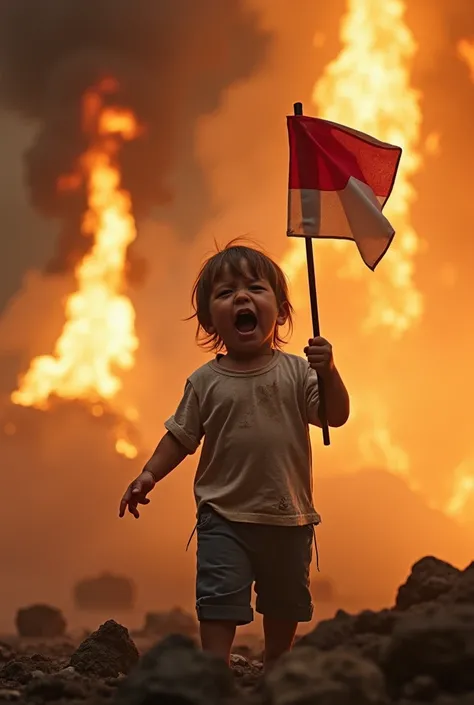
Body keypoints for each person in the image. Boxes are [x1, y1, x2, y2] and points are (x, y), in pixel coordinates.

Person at [119, 242, 350, 668]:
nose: (241, 297)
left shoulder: (299, 372)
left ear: (280, 312)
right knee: (219, 595)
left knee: (285, 601)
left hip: (288, 515)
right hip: (222, 516)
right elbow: (180, 436)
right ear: (210, 320)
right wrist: (149, 474)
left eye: (254, 288)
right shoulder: (205, 381)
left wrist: (328, 370)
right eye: (225, 293)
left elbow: (335, 416)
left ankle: (279, 667)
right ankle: (213, 669)